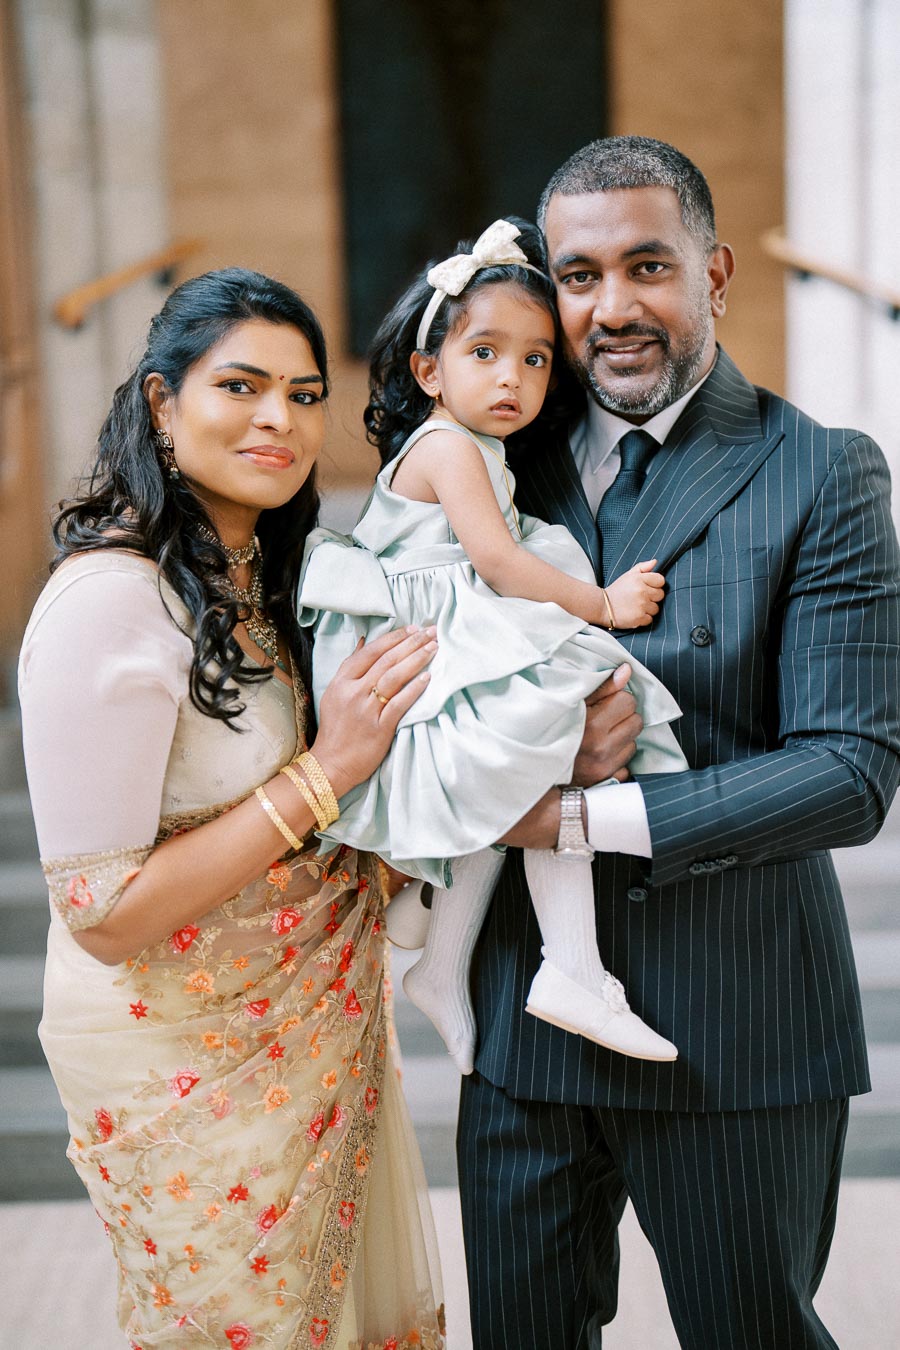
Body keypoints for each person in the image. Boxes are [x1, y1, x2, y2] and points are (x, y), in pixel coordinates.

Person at [455, 137, 900, 1349]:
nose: (612, 308)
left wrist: (577, 817)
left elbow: (851, 769)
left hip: (737, 1022)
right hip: (527, 1020)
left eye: (647, 266)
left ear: (716, 273)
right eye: (579, 275)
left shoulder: (824, 472)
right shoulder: (495, 461)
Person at [18, 269, 446, 1350]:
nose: (280, 420)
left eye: (306, 395)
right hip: (180, 1054)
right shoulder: (111, 598)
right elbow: (102, 912)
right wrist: (327, 770)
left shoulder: (265, 574)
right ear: (162, 403)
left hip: (312, 1021)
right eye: (242, 386)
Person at [297, 217, 688, 1076]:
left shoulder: (476, 445)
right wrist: (605, 606)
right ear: (429, 370)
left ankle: (444, 965)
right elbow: (500, 561)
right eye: (485, 354)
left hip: (451, 631)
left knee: (508, 779)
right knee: (547, 741)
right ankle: (572, 966)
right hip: (431, 643)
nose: (513, 376)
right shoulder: (446, 445)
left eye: (537, 358)